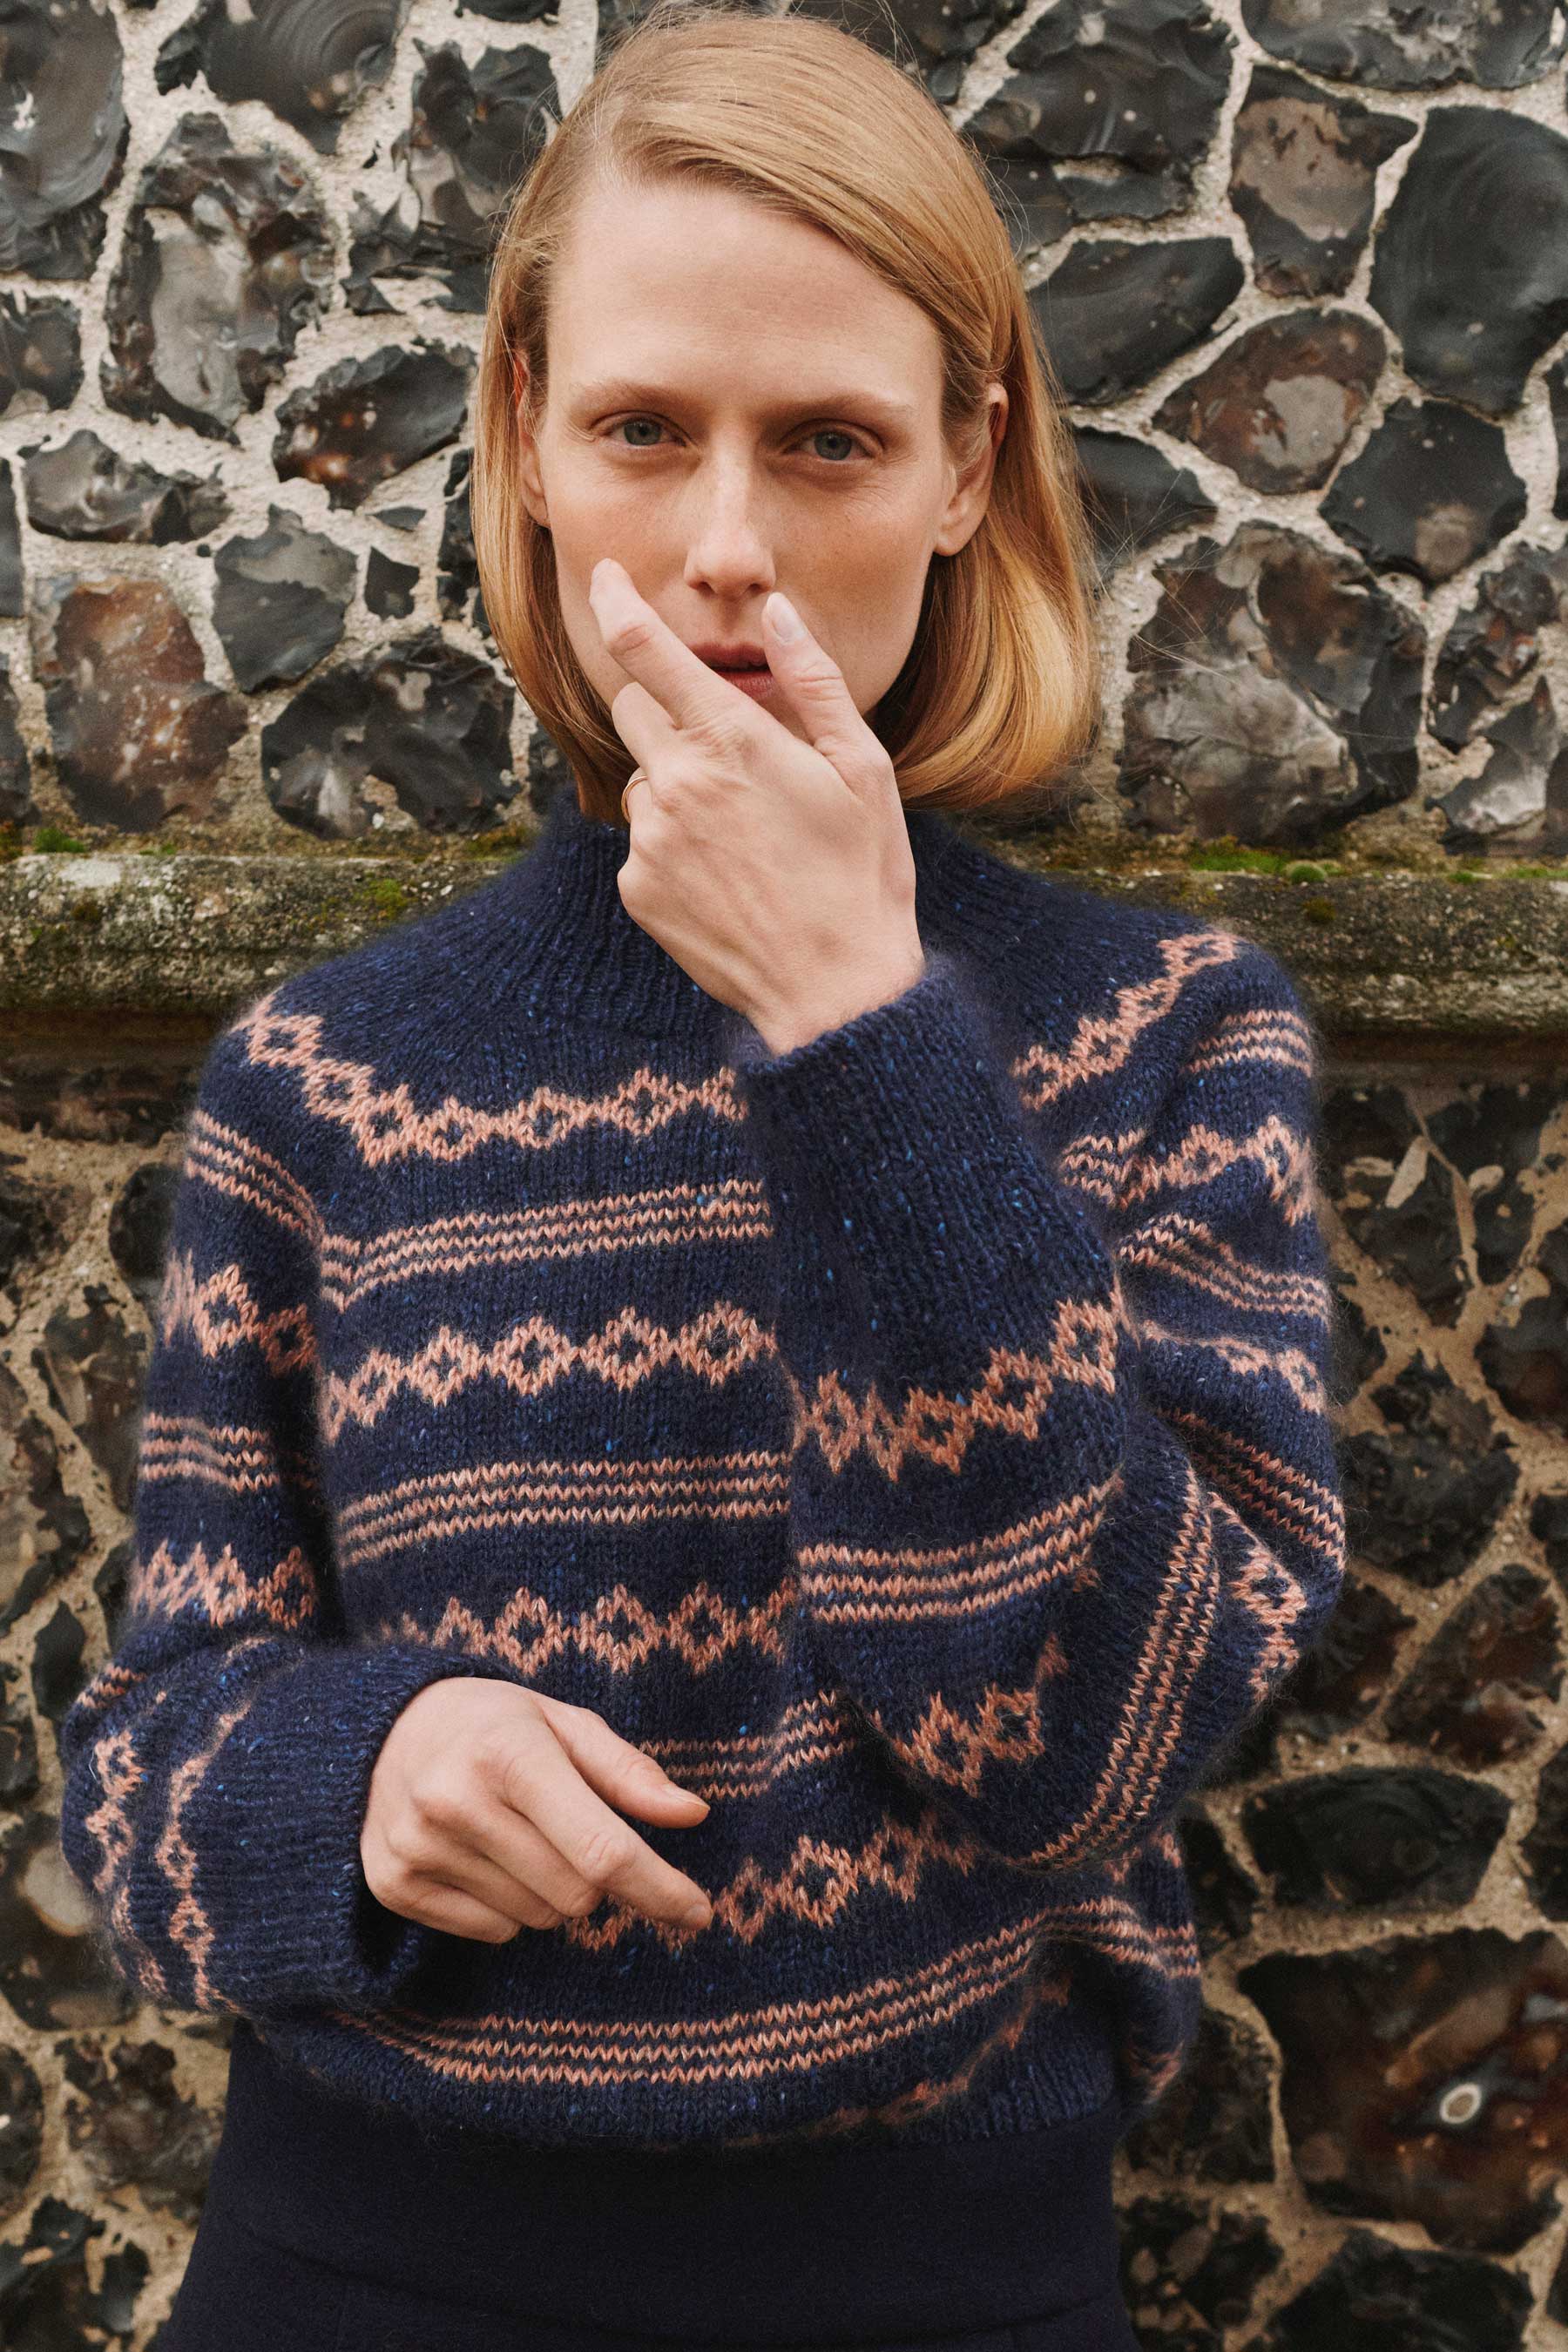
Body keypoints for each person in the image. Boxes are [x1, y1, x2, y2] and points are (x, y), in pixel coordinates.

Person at [57, 4, 1348, 2347]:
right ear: (529, 443)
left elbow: (1090, 1745)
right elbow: (148, 1773)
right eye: (645, 428)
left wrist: (866, 1036)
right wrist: (364, 1768)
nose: (731, 548)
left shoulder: (1166, 1041)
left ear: (967, 467)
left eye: (831, 441)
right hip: (358, 2273)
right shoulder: (324, 1077)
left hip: (944, 2285)